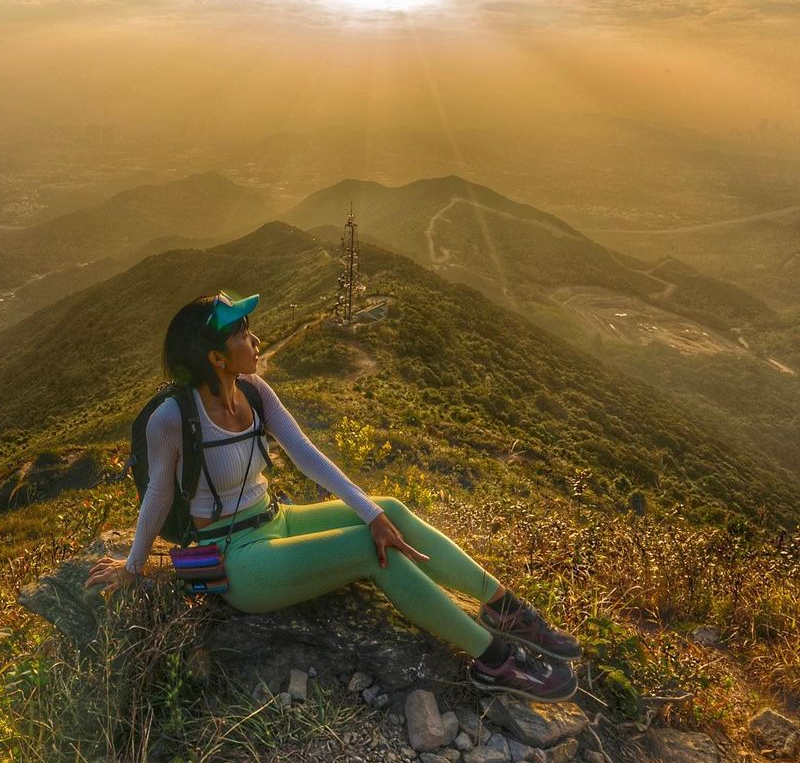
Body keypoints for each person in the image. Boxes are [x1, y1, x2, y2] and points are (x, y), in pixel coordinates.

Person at [86, 292, 582, 702]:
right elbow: (155, 495)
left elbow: (307, 455)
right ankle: (492, 660)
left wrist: (369, 513)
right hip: (233, 558)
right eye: (241, 334)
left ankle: (504, 606)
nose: (254, 340)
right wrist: (133, 565)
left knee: (389, 511)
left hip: (275, 519)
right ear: (216, 357)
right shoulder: (173, 417)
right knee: (372, 551)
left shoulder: (255, 390)